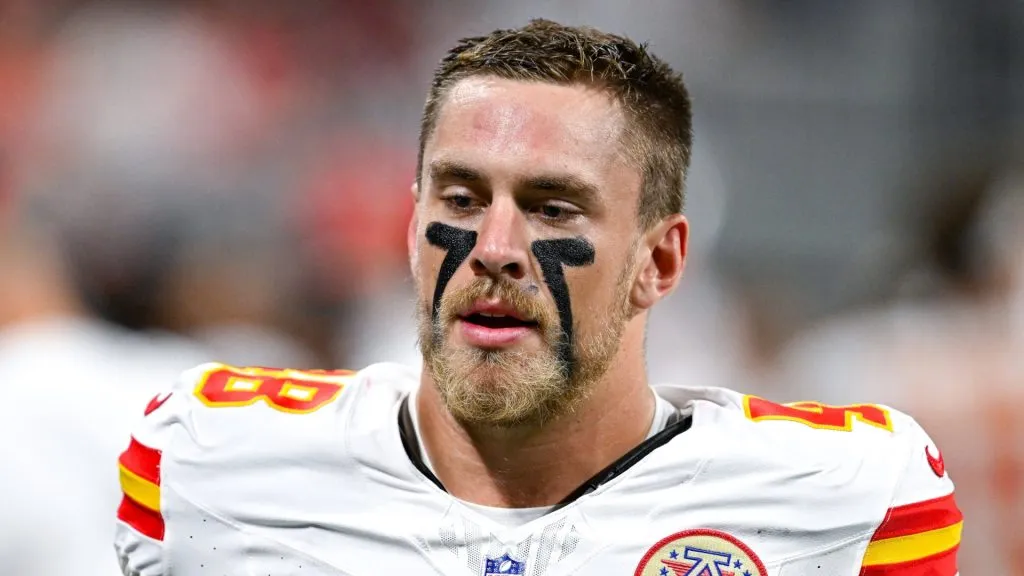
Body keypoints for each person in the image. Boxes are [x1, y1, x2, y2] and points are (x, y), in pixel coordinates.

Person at [114, 20, 962, 576]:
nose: (493, 250)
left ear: (659, 263)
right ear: (411, 231)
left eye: (553, 208)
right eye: (459, 199)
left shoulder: (843, 499)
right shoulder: (211, 460)